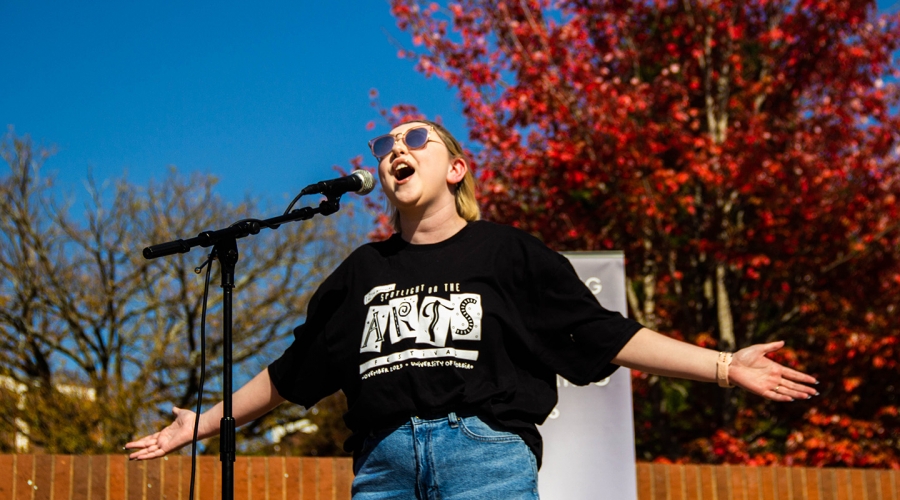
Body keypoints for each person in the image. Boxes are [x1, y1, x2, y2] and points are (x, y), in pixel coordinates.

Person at [126, 120, 819, 499]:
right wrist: (202, 423)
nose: (397, 149)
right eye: (385, 146)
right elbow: (295, 372)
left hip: (482, 457)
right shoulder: (361, 272)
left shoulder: (504, 253)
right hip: (383, 466)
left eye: (416, 139)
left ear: (456, 168)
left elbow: (603, 334)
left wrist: (725, 366)